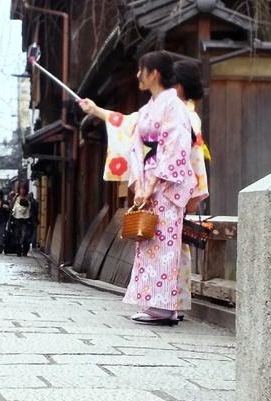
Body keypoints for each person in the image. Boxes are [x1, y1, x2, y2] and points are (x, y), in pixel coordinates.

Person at [79, 50, 197, 326]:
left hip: (166, 187)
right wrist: (140, 185)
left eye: (141, 70)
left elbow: (175, 147)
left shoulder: (174, 106)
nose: (137, 75)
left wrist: (152, 183)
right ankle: (156, 304)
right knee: (149, 243)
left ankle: (164, 308)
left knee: (165, 246)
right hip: (150, 186)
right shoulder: (148, 109)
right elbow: (132, 139)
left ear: (154, 73)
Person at [173, 59, 211, 322]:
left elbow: (193, 157)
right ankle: (174, 302)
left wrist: (192, 192)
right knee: (176, 247)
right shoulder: (186, 114)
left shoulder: (186, 116)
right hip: (182, 185)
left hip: (177, 187)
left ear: (178, 86)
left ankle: (171, 302)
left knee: (173, 247)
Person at [11, 185, 33, 257]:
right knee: (17, 235)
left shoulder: (28, 198)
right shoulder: (16, 198)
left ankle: (25, 250)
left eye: (23, 189)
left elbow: (30, 208)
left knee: (25, 235)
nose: (22, 190)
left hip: (26, 219)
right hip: (17, 219)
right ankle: (18, 251)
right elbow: (12, 208)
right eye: (21, 189)